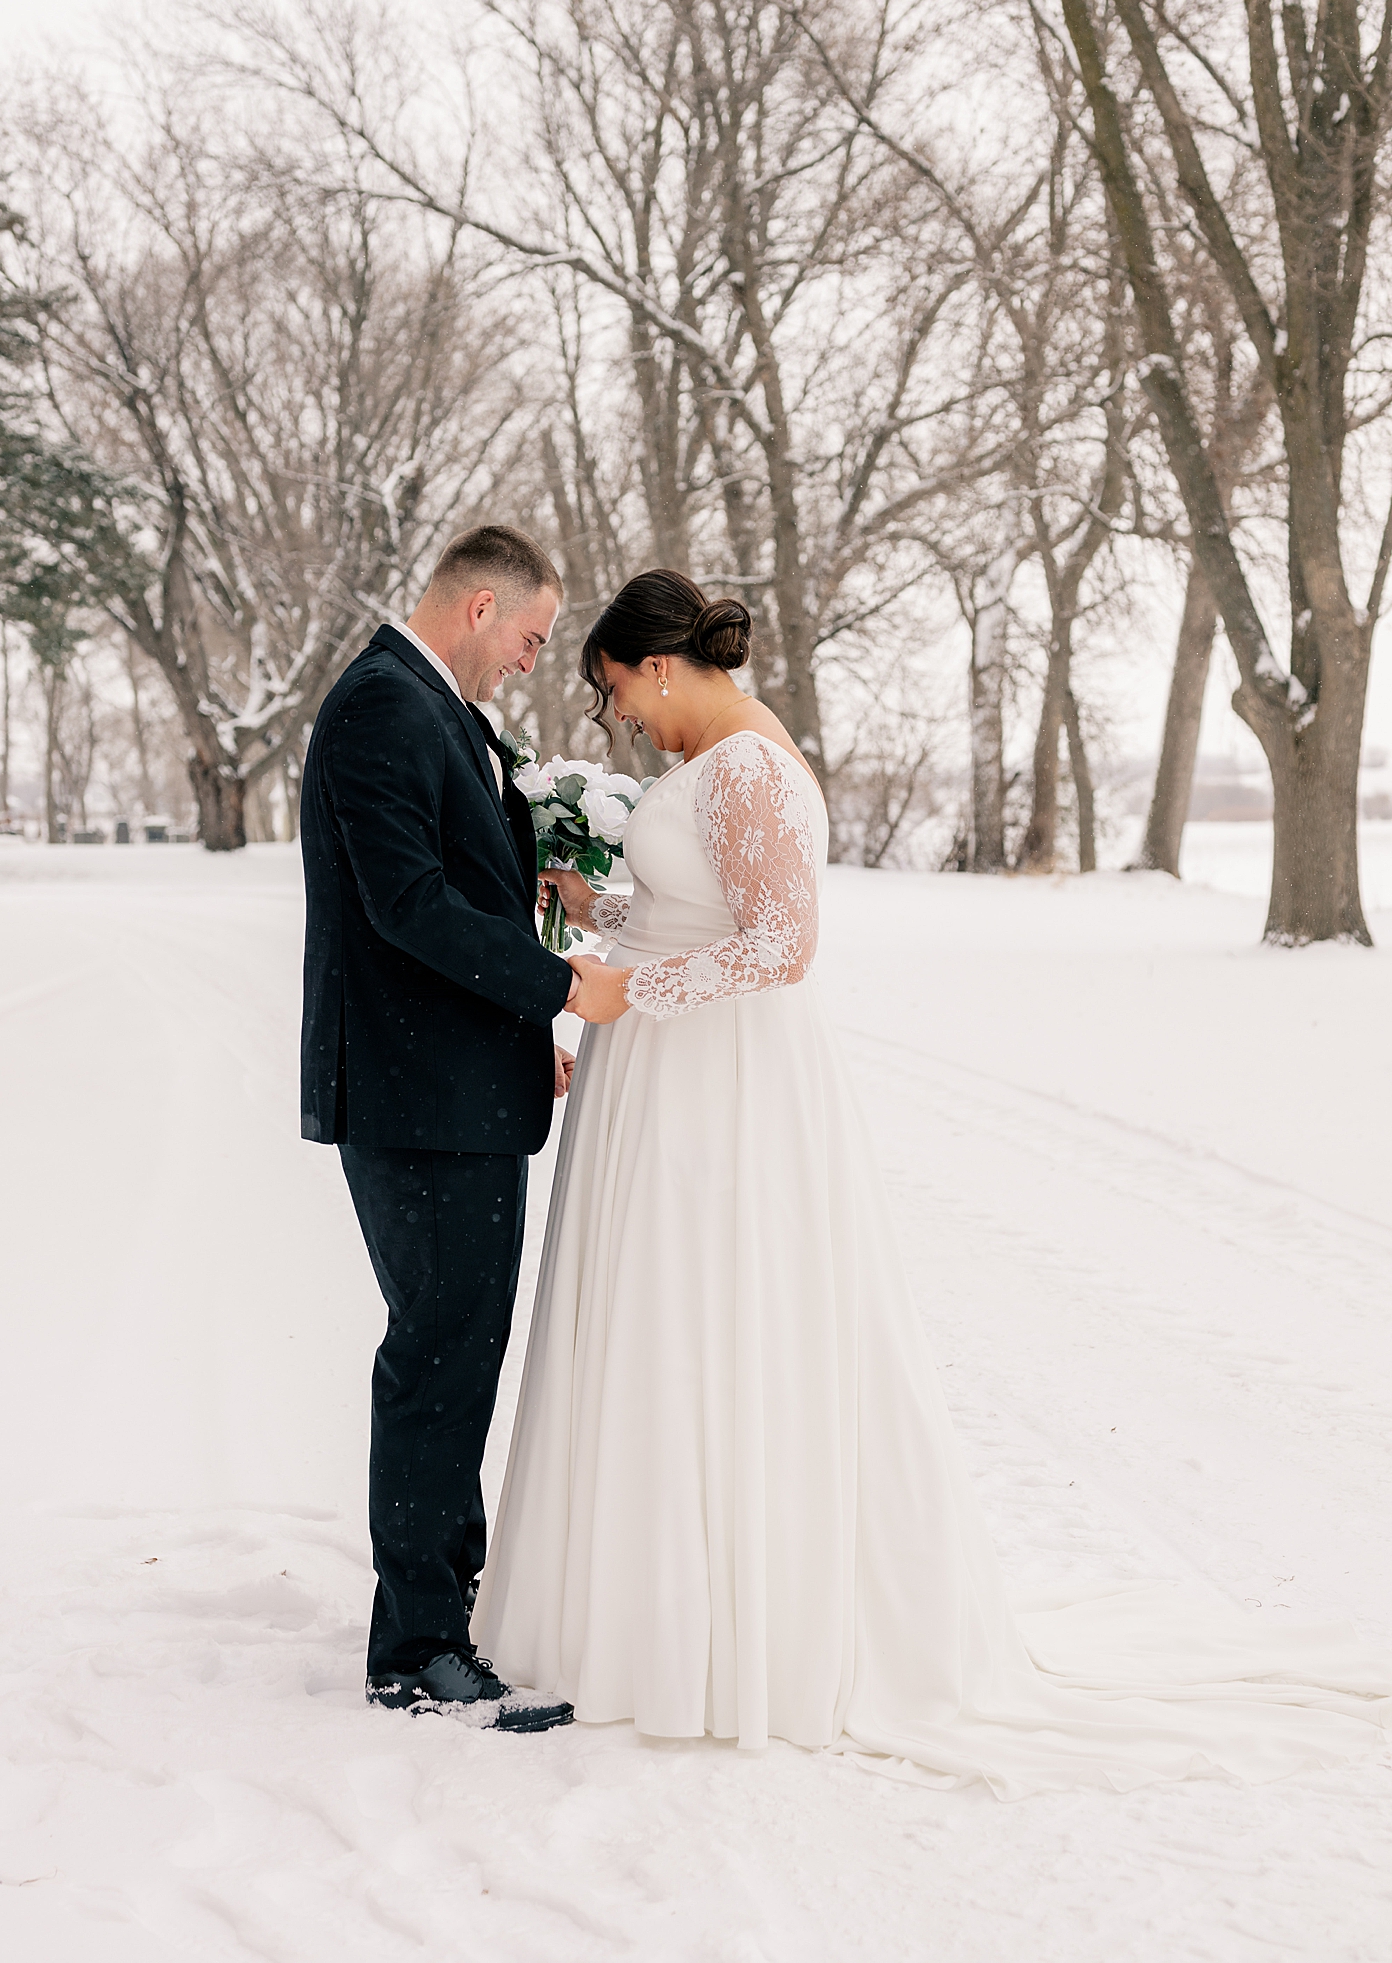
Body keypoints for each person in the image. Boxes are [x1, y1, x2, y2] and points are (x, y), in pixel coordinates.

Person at [473, 568, 1390, 1792]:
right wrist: (598, 904)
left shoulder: (750, 766)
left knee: (716, 1325)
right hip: (665, 1075)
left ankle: (731, 1626)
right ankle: (646, 1603)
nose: (622, 723)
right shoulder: (710, 770)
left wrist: (624, 990)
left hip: (725, 1090)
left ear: (659, 665)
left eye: (617, 695)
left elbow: (782, 945)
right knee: (655, 1332)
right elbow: (700, 910)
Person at [299, 523, 578, 1733]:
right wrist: (560, 988)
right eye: (529, 637)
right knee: (436, 1356)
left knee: (457, 1352)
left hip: (456, 1089)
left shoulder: (430, 707)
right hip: (417, 1104)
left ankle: (444, 1609)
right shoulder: (382, 707)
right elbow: (407, 907)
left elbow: (463, 883)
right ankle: (414, 1647)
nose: (529, 660)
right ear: (476, 607)